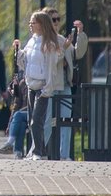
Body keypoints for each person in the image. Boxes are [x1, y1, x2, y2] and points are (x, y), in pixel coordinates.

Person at [14, 10, 73, 160]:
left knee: (37, 121)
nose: (30, 25)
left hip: (43, 87)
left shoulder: (50, 43)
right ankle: (38, 151)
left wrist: (48, 87)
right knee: (31, 121)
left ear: (41, 24)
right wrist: (18, 50)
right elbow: (24, 61)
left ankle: (38, 152)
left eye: (33, 22)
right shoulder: (32, 40)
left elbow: (52, 64)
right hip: (31, 85)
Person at [43, 7, 89, 159]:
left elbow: (78, 53)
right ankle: (42, 152)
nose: (56, 22)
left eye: (58, 19)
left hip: (65, 85)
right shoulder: (42, 41)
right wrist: (63, 48)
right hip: (50, 85)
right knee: (47, 120)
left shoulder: (63, 39)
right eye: (52, 19)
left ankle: (64, 155)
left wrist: (80, 34)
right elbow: (51, 61)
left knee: (67, 122)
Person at [0, 69, 29, 158]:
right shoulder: (22, 84)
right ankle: (18, 152)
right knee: (21, 124)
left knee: (18, 114)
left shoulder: (37, 84)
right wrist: (10, 123)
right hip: (22, 116)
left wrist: (19, 112)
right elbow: (16, 105)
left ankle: (10, 143)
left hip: (35, 114)